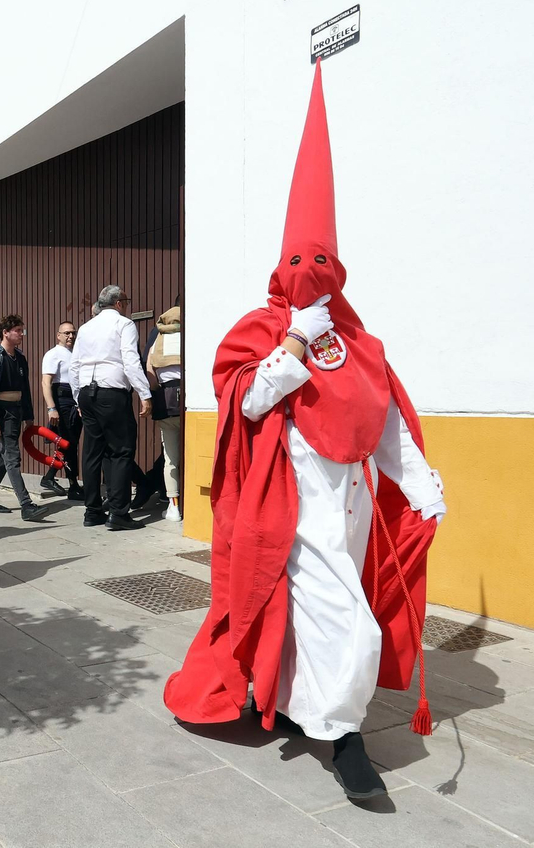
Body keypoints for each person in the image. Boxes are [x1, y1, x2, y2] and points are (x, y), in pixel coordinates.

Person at [163, 62, 446, 801]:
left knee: (318, 614)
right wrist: (292, 343)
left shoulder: (362, 344)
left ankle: (289, 703)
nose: (310, 272)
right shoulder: (258, 328)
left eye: (321, 261)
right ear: (279, 269)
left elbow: (384, 420)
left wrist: (419, 480)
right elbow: (244, 403)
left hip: (348, 497)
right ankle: (344, 738)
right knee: (349, 626)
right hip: (286, 499)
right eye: (298, 261)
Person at [72, 286, 151, 531]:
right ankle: (118, 512)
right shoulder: (124, 324)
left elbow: (74, 365)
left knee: (92, 452)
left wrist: (78, 399)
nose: (126, 305)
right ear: (118, 303)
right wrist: (144, 393)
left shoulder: (86, 327)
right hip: (111, 392)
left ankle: (92, 510)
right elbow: (130, 359)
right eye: (125, 301)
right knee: (121, 450)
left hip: (87, 391)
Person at [0, 315, 51, 522]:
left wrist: (28, 415)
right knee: (12, 456)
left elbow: (25, 389)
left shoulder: (19, 358)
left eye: (22, 330)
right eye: (18, 330)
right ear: (5, 333)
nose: (21, 334)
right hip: (1, 414)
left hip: (16, 412)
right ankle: (26, 505)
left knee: (1, 458)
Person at [147, 305, 184, 522]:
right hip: (188, 404)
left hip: (166, 403)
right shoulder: (189, 338)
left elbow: (150, 375)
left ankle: (173, 506)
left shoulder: (157, 343)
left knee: (171, 458)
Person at [39, 321, 83, 500]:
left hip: (75, 401)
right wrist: (52, 408)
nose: (71, 336)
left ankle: (49, 477)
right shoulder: (53, 354)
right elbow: (46, 382)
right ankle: (73, 486)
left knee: (70, 444)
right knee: (69, 444)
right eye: (66, 333)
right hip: (62, 402)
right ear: (58, 335)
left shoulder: (75, 353)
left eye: (73, 332)